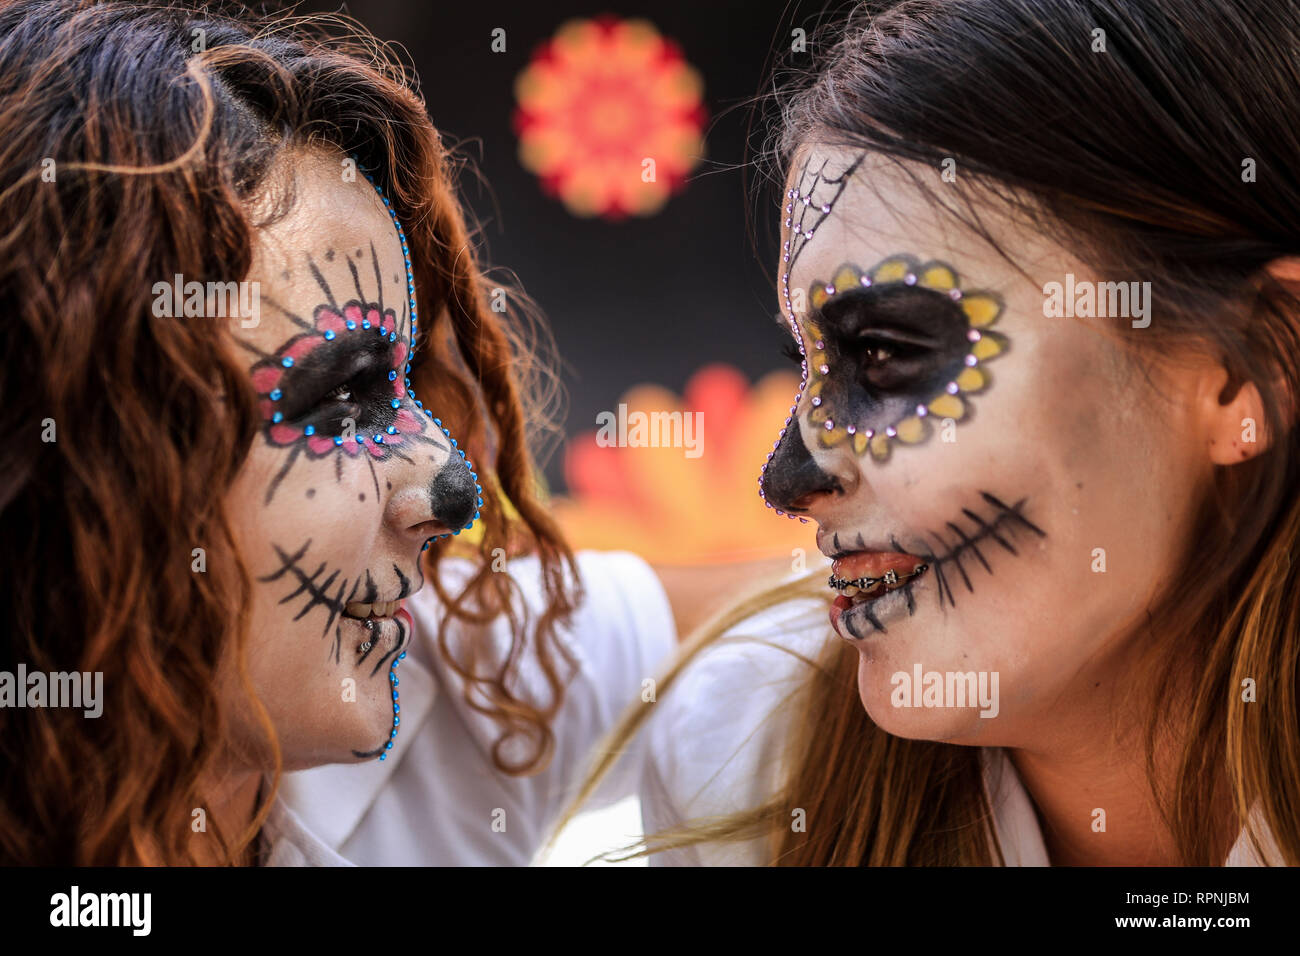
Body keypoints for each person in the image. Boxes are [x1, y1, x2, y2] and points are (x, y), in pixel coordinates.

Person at [0, 0, 766, 866]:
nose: (449, 487)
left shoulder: (447, 656)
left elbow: (799, 628)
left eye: (408, 381)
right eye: (344, 397)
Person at [562, 0, 1300, 866]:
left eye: (884, 352)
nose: (790, 478)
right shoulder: (746, 758)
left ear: (1245, 371)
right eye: (806, 361)